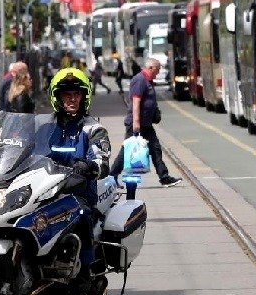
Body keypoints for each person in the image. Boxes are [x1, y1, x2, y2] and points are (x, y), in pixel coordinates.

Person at [44, 68, 111, 275]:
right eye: (67, 94)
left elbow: (103, 161)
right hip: (45, 192)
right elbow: (24, 149)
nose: (72, 99)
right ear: (57, 97)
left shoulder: (93, 129)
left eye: (76, 94)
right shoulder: (44, 127)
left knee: (81, 215)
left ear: (84, 97)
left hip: (78, 193)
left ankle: (86, 274)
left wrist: (91, 166)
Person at [109, 58, 180, 198]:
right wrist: (136, 122)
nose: (158, 72)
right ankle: (111, 177)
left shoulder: (148, 81)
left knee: (156, 149)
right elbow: (136, 101)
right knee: (126, 152)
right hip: (137, 124)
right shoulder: (139, 80)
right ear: (151, 68)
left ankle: (164, 177)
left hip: (146, 124)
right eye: (157, 70)